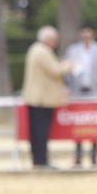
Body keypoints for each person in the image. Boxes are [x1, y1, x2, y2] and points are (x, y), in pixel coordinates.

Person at [64, 23, 97, 169]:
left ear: (93, 34)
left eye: (88, 34)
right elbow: (66, 73)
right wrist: (66, 88)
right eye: (83, 34)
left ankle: (94, 157)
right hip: (77, 91)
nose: (86, 36)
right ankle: (78, 157)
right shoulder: (72, 50)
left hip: (96, 92)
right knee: (78, 125)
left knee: (94, 125)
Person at [22, 25, 75, 169]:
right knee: (41, 132)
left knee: (36, 132)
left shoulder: (34, 49)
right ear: (49, 39)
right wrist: (69, 65)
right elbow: (55, 70)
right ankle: (41, 160)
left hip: (36, 98)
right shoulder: (42, 52)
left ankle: (38, 159)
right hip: (42, 99)